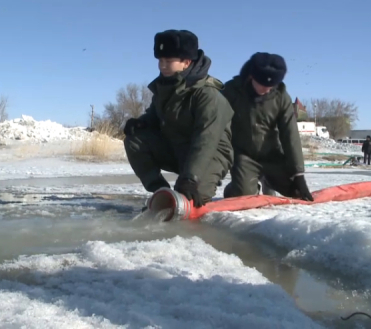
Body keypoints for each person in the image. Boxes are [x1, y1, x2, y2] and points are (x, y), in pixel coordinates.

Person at [123, 29, 234, 208]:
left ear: (186, 62)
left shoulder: (208, 95)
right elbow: (155, 116)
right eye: (160, 60)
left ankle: (187, 189)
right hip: (177, 148)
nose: (162, 65)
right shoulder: (164, 88)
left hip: (210, 155)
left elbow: (206, 141)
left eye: (168, 61)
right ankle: (161, 191)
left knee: (188, 200)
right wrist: (141, 122)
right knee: (134, 140)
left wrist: (191, 178)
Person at [221, 52, 313, 201]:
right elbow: (218, 126)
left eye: (271, 86)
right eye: (262, 84)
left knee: (296, 192)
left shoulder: (281, 97)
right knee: (245, 197)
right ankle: (235, 187)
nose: (266, 89)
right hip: (244, 155)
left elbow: (290, 134)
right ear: (252, 76)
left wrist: (298, 175)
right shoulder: (231, 91)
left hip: (272, 155)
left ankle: (268, 179)